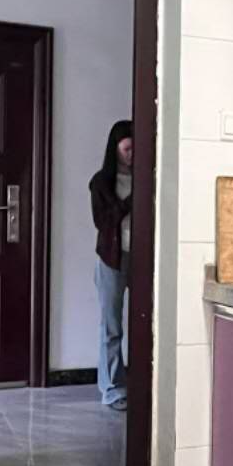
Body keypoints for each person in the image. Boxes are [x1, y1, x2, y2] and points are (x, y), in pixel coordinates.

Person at [88, 120, 133, 411]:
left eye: (136, 149)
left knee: (145, 322)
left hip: (142, 258)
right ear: (115, 149)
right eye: (127, 149)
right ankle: (112, 390)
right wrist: (130, 202)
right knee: (112, 326)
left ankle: (141, 383)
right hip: (112, 259)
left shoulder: (148, 177)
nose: (132, 155)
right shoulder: (101, 182)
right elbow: (102, 222)